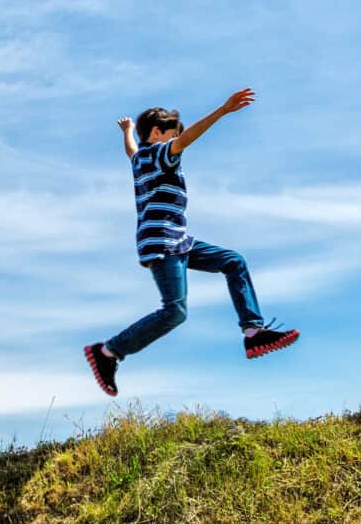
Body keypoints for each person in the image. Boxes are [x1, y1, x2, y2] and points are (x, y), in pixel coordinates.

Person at [84, 88, 300, 396]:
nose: (177, 144)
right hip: (164, 242)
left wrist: (128, 131)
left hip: (179, 240)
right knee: (175, 311)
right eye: (172, 136)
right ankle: (107, 352)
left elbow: (131, 150)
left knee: (233, 261)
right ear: (158, 133)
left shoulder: (140, 159)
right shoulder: (160, 154)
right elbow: (186, 139)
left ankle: (253, 332)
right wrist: (222, 111)